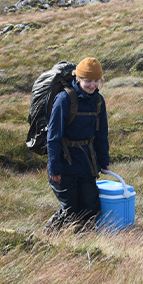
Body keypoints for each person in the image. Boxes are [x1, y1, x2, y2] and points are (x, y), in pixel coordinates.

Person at [46, 57, 110, 231]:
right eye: (88, 80)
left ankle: (82, 239)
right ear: (78, 78)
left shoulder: (98, 102)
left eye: (96, 81)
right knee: (72, 212)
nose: (92, 85)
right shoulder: (64, 99)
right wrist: (54, 168)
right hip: (65, 165)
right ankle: (51, 235)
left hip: (86, 164)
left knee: (91, 210)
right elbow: (53, 137)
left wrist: (104, 162)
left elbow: (101, 135)